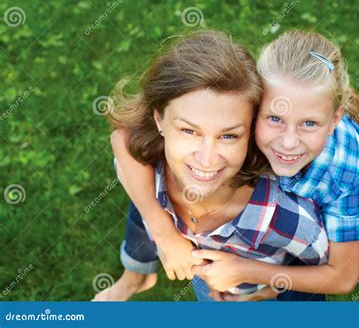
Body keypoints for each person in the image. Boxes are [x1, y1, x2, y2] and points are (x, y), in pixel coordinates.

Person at [93, 30, 343, 301]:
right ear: (159, 120)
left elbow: (331, 270)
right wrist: (162, 231)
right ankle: (137, 277)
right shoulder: (151, 162)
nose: (207, 158)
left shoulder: (286, 218)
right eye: (189, 131)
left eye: (228, 136)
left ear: (251, 133)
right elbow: (123, 137)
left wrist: (264, 292)